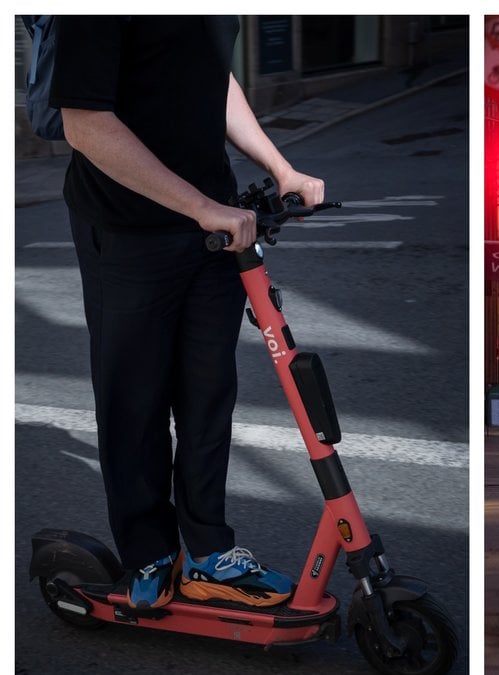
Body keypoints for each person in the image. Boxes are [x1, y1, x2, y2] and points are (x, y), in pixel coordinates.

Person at [51, 17, 324, 610]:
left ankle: (207, 551)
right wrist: (200, 206)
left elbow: (213, 77)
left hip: (211, 226)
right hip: (126, 230)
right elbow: (85, 123)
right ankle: (148, 551)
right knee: (135, 401)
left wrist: (282, 168)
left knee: (207, 394)